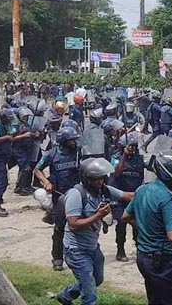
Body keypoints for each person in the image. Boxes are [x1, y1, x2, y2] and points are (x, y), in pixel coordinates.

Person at [123, 150, 172, 305]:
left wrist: (149, 229)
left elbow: (126, 216)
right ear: (167, 172)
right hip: (163, 263)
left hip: (144, 258)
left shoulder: (141, 190)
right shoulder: (169, 198)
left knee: (157, 300)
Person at [54, 158, 134, 305]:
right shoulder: (76, 194)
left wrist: (148, 193)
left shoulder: (103, 190)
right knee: (89, 295)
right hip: (76, 250)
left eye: (102, 177)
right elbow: (73, 224)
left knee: (97, 279)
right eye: (96, 178)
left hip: (92, 247)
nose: (100, 181)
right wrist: (98, 216)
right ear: (86, 178)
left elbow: (127, 195)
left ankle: (65, 296)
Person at [33, 126, 82, 272]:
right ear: (63, 141)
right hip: (59, 196)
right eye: (71, 140)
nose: (74, 142)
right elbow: (37, 169)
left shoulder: (79, 153)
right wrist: (46, 182)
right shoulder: (52, 154)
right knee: (60, 228)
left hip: (76, 195)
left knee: (78, 226)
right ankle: (57, 258)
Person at [110, 133, 144, 262]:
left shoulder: (139, 159)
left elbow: (150, 168)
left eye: (134, 147)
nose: (132, 149)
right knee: (121, 224)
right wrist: (124, 156)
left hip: (135, 197)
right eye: (130, 146)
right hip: (120, 197)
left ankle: (140, 248)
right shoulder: (116, 158)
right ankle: (120, 250)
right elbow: (116, 172)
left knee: (138, 225)